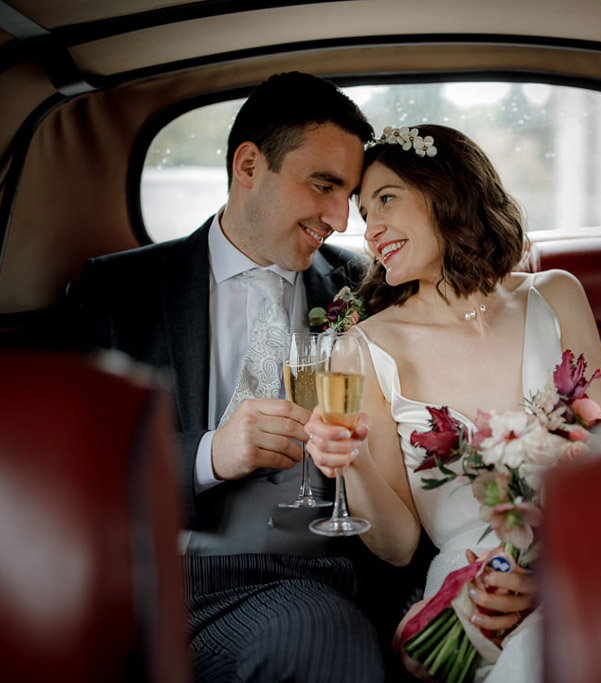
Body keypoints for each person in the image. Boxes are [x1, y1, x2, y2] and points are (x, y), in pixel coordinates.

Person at [65, 72, 389, 682]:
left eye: (350, 195)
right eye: (323, 186)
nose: (341, 219)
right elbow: (70, 464)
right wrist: (209, 454)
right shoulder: (120, 291)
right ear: (248, 165)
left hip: (328, 572)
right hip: (170, 574)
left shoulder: (365, 289)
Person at [305, 124, 601, 681]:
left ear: (444, 191)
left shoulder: (557, 295)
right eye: (363, 214)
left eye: (385, 200)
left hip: (592, 561)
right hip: (474, 588)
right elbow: (399, 546)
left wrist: (557, 575)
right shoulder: (362, 347)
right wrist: (350, 459)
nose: (370, 230)